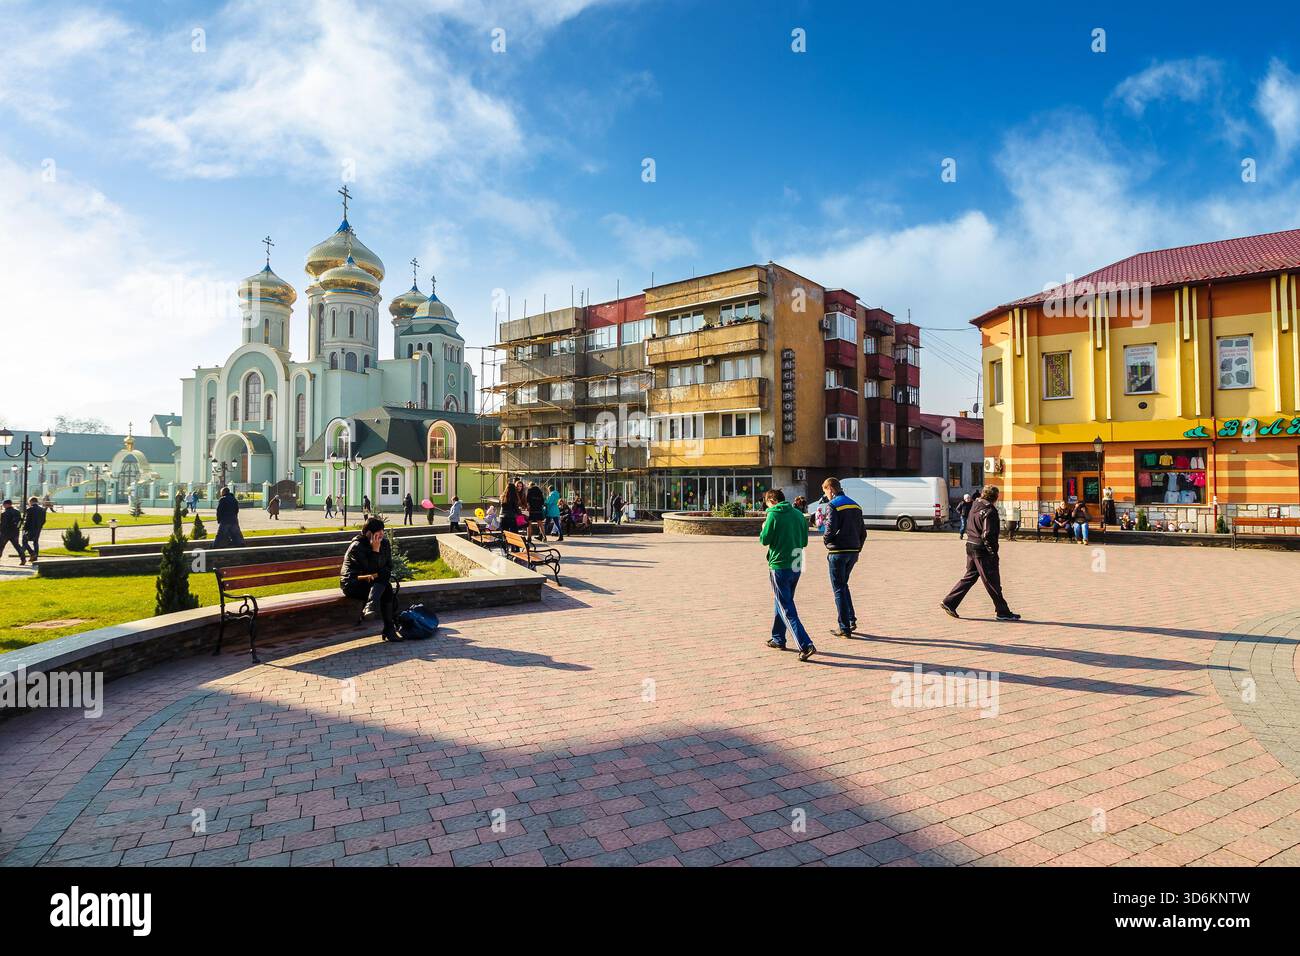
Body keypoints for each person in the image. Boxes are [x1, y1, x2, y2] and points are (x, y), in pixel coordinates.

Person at [940, 485, 1019, 621]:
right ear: (995, 497)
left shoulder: (975, 505)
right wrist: (992, 552)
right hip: (982, 549)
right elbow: (988, 534)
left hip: (970, 545)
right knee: (992, 580)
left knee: (970, 577)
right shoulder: (990, 510)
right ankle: (1002, 612)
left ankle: (950, 602)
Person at [760, 489, 816, 661]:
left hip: (780, 563)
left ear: (771, 500)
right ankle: (778, 638)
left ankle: (805, 644)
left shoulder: (773, 515)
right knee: (783, 600)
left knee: (786, 606)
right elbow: (804, 541)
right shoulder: (799, 514)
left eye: (766, 503)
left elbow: (764, 540)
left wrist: (764, 528)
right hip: (797, 561)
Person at [340, 517, 399, 641]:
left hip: (374, 582)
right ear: (368, 533)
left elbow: (389, 566)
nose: (382, 536)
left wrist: (377, 549)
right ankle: (389, 629)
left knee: (386, 585)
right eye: (378, 533)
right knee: (385, 585)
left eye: (383, 532)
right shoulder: (357, 546)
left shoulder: (384, 543)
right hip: (354, 583)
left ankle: (372, 609)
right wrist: (375, 550)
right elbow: (368, 570)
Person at [821, 477, 864, 638]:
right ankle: (851, 619)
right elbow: (863, 532)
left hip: (838, 552)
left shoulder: (833, 505)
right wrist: (857, 549)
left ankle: (844, 627)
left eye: (825, 492)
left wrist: (826, 541)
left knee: (838, 587)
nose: (826, 496)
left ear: (831, 489)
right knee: (844, 585)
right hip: (853, 551)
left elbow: (830, 529)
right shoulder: (855, 505)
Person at [19, 496, 47, 564]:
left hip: (30, 528)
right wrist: (39, 526)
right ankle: (35, 556)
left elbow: (27, 521)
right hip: (38, 528)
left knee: (24, 542)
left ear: (31, 502)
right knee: (35, 542)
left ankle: (32, 553)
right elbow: (44, 520)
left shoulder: (30, 509)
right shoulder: (42, 509)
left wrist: (24, 528)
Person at [1, 499, 25, 565]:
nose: (3, 506)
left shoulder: (4, 513)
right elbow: (20, 522)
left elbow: (3, 524)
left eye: (4, 504)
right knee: (17, 546)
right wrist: (17, 528)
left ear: (7, 504)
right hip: (15, 532)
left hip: (5, 532)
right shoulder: (17, 512)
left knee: (1, 546)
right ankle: (23, 558)